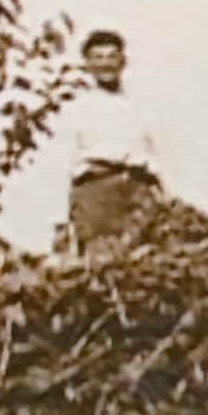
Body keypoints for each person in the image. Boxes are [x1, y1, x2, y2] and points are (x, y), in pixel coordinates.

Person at [66, 29, 163, 250]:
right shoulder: (78, 109)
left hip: (136, 188)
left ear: (123, 61)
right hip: (96, 190)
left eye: (111, 56)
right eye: (98, 58)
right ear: (87, 64)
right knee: (101, 260)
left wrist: (162, 191)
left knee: (145, 259)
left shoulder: (138, 107)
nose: (105, 64)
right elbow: (65, 162)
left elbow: (153, 153)